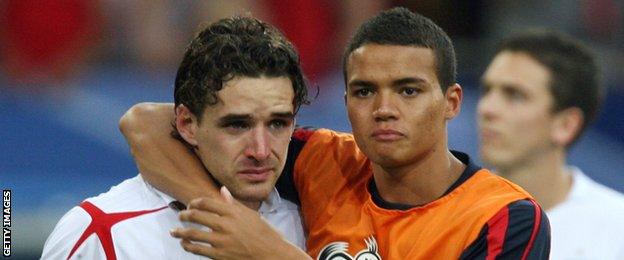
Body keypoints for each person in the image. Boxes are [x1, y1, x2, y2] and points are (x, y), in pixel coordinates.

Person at [121, 8, 550, 259]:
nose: (384, 110)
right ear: (346, 102)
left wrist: (270, 252)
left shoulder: (503, 218)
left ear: (452, 102)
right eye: (364, 91)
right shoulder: (324, 160)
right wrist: (224, 217)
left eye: (408, 90)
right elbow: (144, 123)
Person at [41, 16, 309, 259]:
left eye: (277, 123)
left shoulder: (315, 221)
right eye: (237, 125)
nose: (261, 151)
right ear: (187, 124)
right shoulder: (103, 234)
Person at [478, 30, 624, 259]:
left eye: (514, 95)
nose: (487, 108)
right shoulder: (445, 211)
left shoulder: (617, 227)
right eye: (487, 90)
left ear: (566, 125)